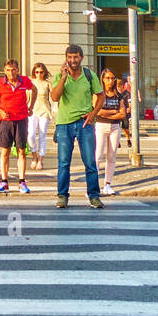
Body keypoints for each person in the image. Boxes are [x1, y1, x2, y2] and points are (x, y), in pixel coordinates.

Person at [50, 44, 106, 208]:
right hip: (64, 123)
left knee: (90, 162)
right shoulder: (61, 75)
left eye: (75, 57)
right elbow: (54, 97)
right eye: (69, 57)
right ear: (66, 58)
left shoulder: (89, 75)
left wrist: (93, 114)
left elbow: (100, 96)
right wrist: (62, 78)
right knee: (64, 162)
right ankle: (62, 196)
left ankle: (94, 196)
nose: (72, 60)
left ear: (81, 58)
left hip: (84, 123)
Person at [0, 59, 35, 194]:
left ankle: (22, 181)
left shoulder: (24, 81)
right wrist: (1, 111)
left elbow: (35, 90)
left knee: (21, 150)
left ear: (18, 70)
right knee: (5, 151)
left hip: (21, 119)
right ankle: (4, 181)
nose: (11, 72)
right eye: (9, 70)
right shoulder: (0, 83)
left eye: (14, 69)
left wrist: (31, 107)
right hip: (6, 121)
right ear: (5, 70)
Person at [95, 68, 128, 195]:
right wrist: (114, 112)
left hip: (115, 127)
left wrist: (109, 114)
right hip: (100, 126)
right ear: (102, 79)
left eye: (113, 78)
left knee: (112, 156)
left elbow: (122, 114)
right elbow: (98, 111)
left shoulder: (118, 95)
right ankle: (93, 185)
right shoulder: (98, 94)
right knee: (97, 155)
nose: (110, 81)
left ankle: (107, 184)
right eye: (108, 78)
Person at [28, 62, 54, 172]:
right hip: (32, 110)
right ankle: (34, 155)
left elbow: (53, 97)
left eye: (41, 72)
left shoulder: (47, 84)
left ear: (45, 72)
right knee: (31, 134)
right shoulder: (30, 82)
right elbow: (26, 98)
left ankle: (41, 160)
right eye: (37, 72)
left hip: (44, 110)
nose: (39, 74)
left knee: (42, 135)